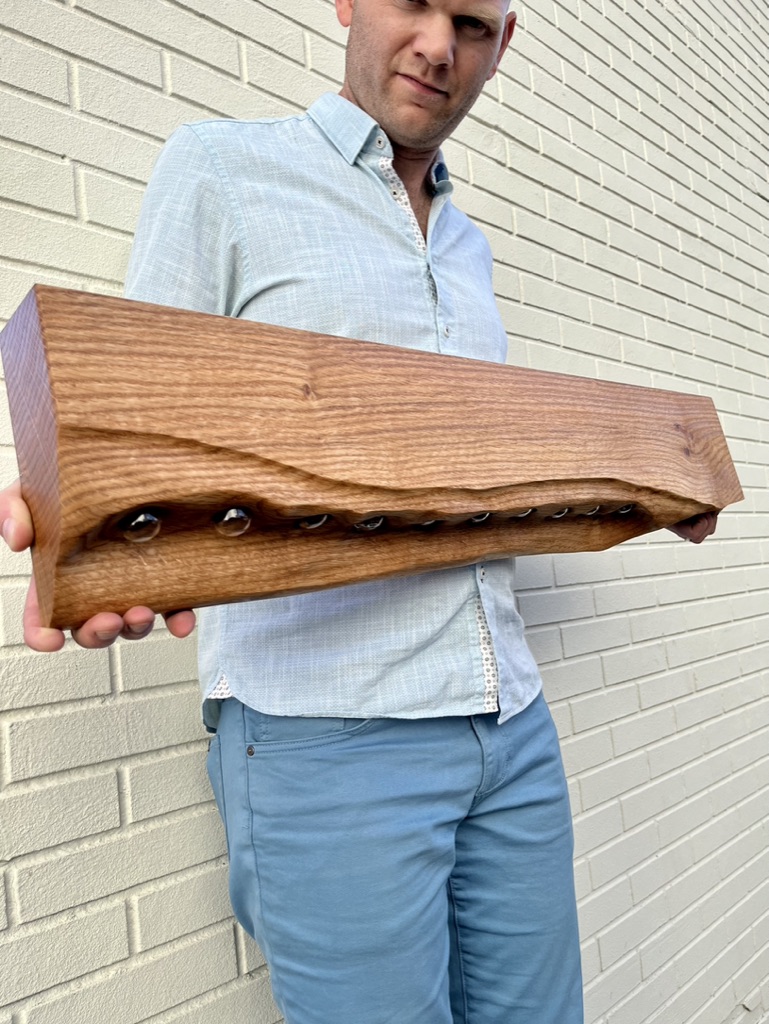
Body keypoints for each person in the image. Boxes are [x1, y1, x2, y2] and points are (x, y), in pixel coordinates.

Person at [0, 1, 718, 1021]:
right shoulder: (218, 171)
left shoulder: (468, 245)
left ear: (503, 44)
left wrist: (647, 492)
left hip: (510, 720)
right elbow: (128, 420)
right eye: (414, 3)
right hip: (331, 738)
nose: (438, 44)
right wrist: (91, 529)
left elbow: (477, 473)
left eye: (472, 22)